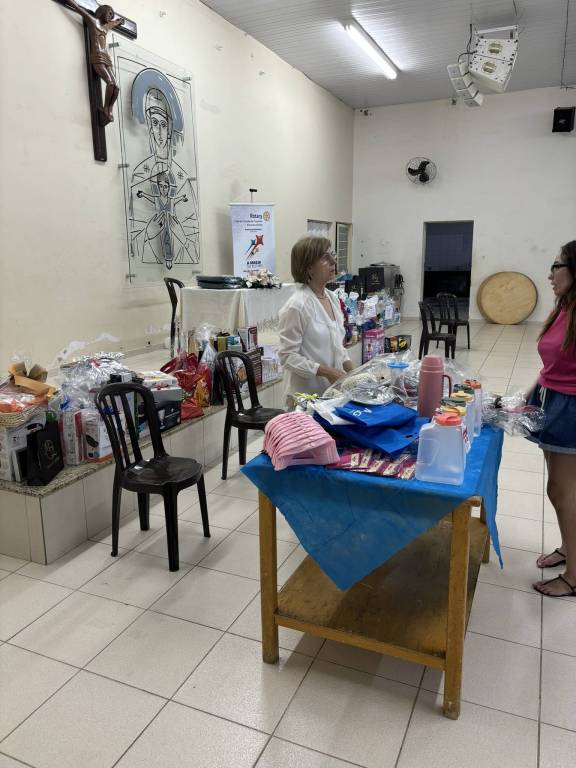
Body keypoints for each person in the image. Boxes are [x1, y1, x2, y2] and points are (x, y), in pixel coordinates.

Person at [530, 241, 576, 597]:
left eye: (556, 266)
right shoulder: (564, 307)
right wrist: (526, 395)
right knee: (559, 489)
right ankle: (567, 548)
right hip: (551, 401)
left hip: (569, 409)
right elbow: (552, 366)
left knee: (562, 491)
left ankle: (574, 576)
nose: (550, 274)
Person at [278, 236, 354, 401]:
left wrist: (355, 374)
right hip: (305, 398)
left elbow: (338, 348)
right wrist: (327, 372)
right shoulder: (297, 306)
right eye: (325, 257)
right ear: (308, 268)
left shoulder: (332, 298)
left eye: (332, 255)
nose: (333, 261)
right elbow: (287, 357)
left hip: (332, 394)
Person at [65, 2, 124, 124]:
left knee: (116, 87)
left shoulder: (106, 27)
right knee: (110, 83)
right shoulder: (93, 21)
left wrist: (119, 21)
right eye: (109, 13)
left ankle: (108, 110)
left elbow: (115, 23)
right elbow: (77, 7)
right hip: (97, 56)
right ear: (102, 12)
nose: (110, 17)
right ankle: (105, 110)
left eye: (112, 15)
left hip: (106, 58)